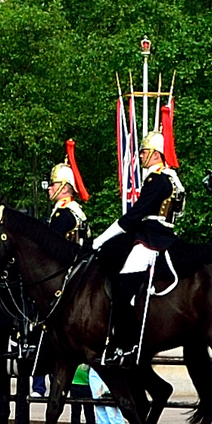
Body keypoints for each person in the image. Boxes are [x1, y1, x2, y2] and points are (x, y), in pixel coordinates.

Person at [90, 130, 184, 365]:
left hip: (151, 238)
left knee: (124, 285)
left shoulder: (156, 179)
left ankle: (126, 344)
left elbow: (135, 215)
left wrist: (100, 240)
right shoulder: (172, 177)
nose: (140, 155)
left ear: (154, 154)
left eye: (143, 151)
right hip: (166, 234)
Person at [46, 161, 90, 245]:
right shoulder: (74, 209)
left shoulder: (62, 213)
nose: (49, 188)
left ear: (64, 189)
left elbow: (52, 245)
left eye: (53, 184)